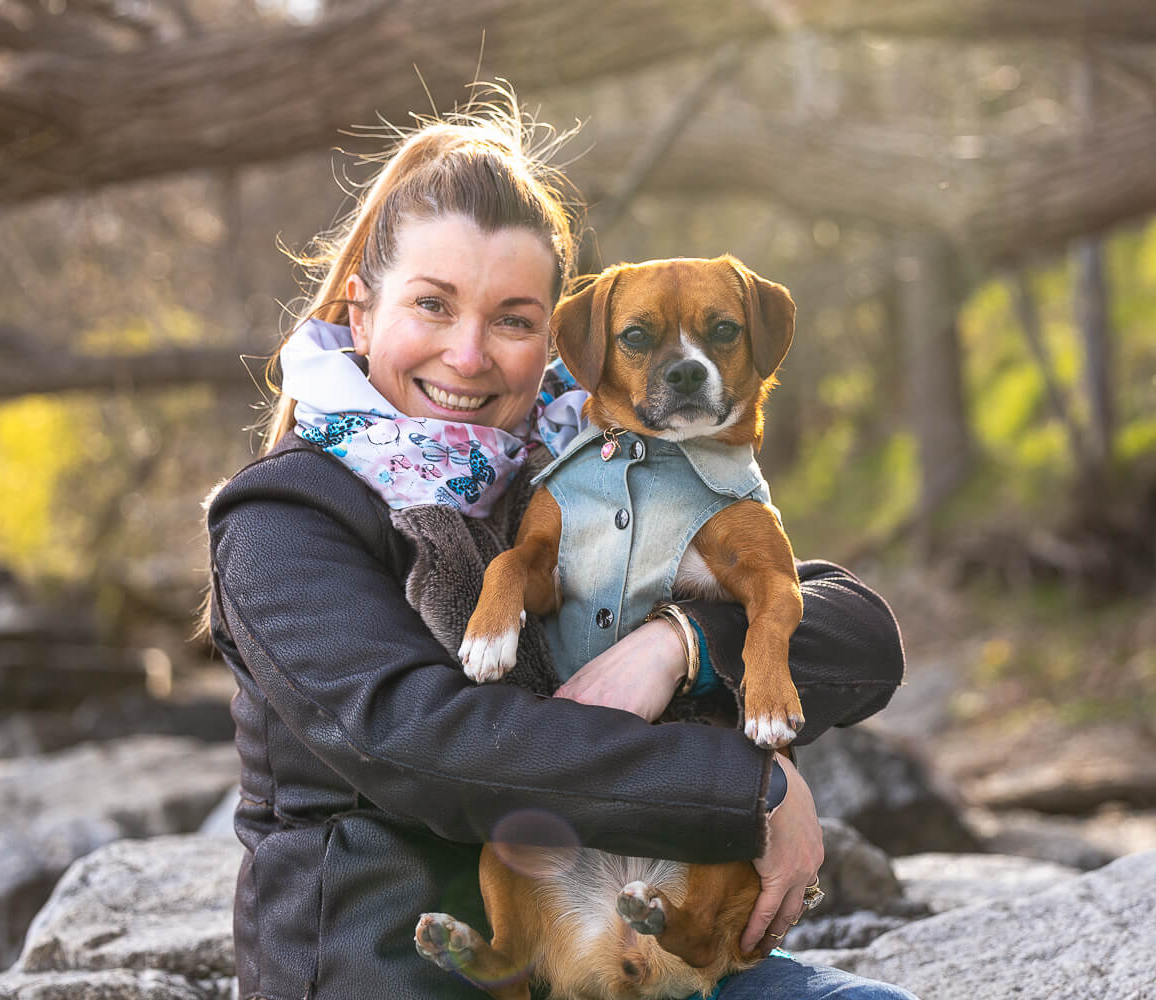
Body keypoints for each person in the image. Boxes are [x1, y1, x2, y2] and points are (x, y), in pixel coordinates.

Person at [205, 94, 917, 1000]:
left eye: (510, 319)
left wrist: (680, 646)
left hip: (654, 951)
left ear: (557, 342)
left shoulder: (584, 464)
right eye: (432, 305)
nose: (468, 355)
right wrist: (745, 791)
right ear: (359, 312)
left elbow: (854, 633)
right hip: (405, 976)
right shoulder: (280, 518)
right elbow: (425, 746)